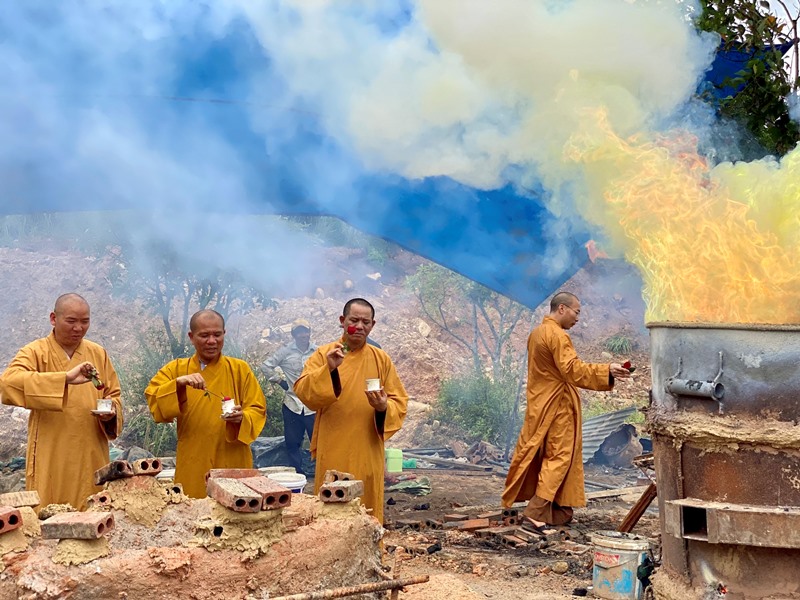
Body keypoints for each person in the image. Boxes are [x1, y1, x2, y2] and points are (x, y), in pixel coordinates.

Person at [502, 291, 631, 526]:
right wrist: (607, 370)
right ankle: (537, 512)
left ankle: (557, 510)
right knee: (559, 457)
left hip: (539, 402)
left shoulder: (536, 333)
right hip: (558, 406)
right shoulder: (557, 336)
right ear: (562, 309)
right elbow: (572, 370)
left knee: (545, 455)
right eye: (577, 312)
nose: (578, 318)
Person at [0, 293, 122, 510]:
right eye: (71, 321)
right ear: (53, 318)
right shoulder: (36, 352)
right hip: (51, 449)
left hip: (90, 449)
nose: (79, 328)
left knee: (93, 509)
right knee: (50, 511)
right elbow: (8, 383)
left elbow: (113, 394)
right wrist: (63, 379)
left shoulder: (97, 353)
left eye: (85, 322)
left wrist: (111, 412)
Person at [294, 298, 407, 523]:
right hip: (333, 445)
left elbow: (400, 402)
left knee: (367, 508)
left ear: (372, 325)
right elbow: (304, 392)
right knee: (332, 506)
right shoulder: (324, 354)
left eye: (366, 322)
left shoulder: (381, 359)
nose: (360, 326)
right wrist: (328, 369)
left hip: (368, 448)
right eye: (354, 320)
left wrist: (383, 407)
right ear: (342, 321)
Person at [145, 309, 266, 498]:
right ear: (191, 337)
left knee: (235, 513)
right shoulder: (176, 369)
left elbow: (258, 409)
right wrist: (178, 384)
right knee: (194, 512)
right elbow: (154, 401)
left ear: (224, 334)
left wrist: (243, 417)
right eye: (204, 335)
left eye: (217, 334)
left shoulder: (240, 370)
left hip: (232, 458)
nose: (212, 341)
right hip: (194, 458)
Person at [261, 318, 318, 476]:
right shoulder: (285, 351)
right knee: (293, 442)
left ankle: (322, 473)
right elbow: (266, 365)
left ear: (309, 332)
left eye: (305, 331)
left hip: (313, 404)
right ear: (294, 334)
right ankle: (297, 475)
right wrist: (279, 380)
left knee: (319, 441)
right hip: (292, 402)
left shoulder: (317, 351)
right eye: (299, 332)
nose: (303, 335)